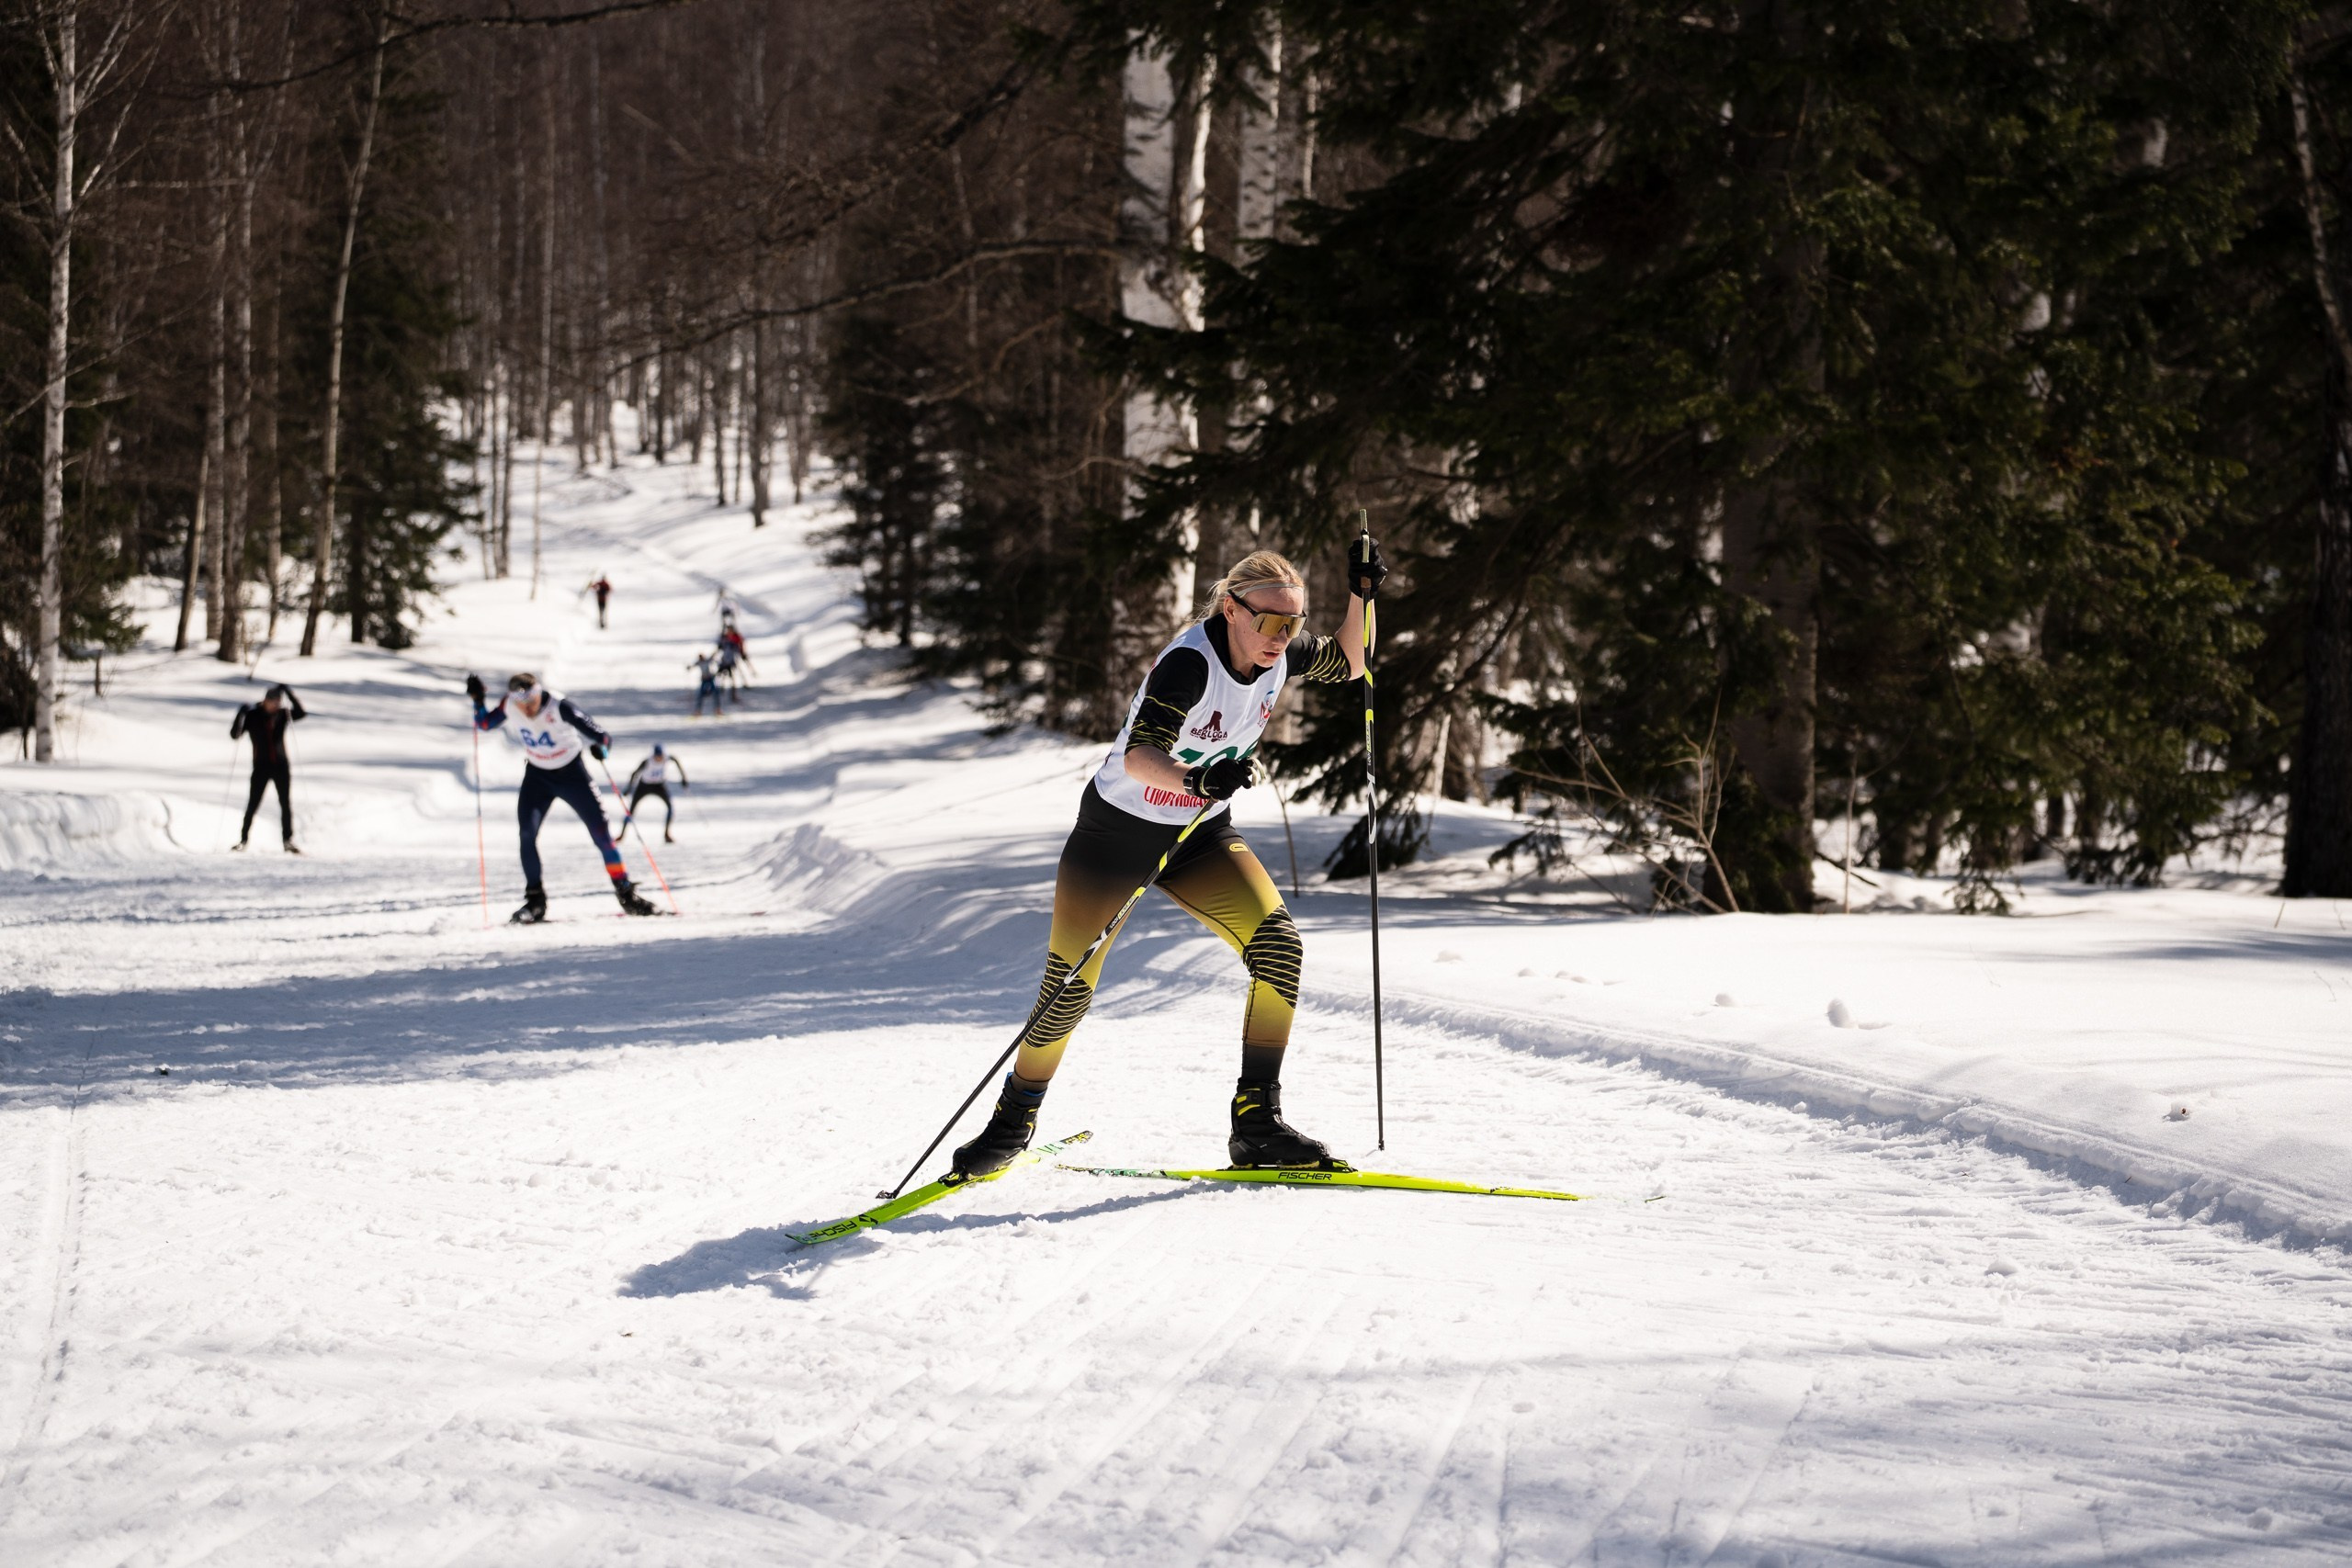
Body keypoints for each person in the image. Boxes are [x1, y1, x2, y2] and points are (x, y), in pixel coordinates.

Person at [954, 537, 1387, 1178]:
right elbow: (1140, 757)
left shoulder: (1279, 653)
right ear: (1232, 609)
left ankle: (1257, 1124)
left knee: (1279, 948)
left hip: (1198, 836)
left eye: (1292, 623)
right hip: (1117, 836)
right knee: (1068, 989)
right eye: (1269, 621)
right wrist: (1197, 779)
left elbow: (1353, 660)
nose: (1281, 636)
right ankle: (1012, 1121)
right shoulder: (1188, 665)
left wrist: (1361, 595)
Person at [468, 671, 658, 921]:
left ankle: (626, 894)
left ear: (539, 693)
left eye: (531, 701)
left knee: (602, 835)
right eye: (520, 702)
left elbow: (602, 736)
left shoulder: (559, 706)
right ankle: (535, 901)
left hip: (572, 775)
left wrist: (601, 750)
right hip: (538, 777)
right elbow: (484, 724)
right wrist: (478, 699)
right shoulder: (510, 705)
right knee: (526, 834)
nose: (526, 708)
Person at [231, 683, 306, 852]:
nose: (276, 705)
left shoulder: (282, 715)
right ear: (265, 700)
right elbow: (235, 735)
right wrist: (240, 715)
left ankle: (288, 840)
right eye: (273, 702)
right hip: (261, 767)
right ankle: (243, 840)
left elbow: (301, 713)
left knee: (285, 804)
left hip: (281, 766)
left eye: (278, 702)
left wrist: (290, 694)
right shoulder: (253, 716)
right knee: (253, 804)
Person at [624, 744, 686, 842]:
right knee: (631, 809)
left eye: (660, 756)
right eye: (657, 756)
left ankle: (667, 834)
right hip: (644, 785)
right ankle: (622, 834)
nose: (659, 758)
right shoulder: (647, 761)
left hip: (659, 785)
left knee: (670, 807)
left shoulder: (666, 758)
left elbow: (676, 760)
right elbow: (634, 773)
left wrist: (684, 778)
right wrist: (629, 788)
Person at [689, 650, 723, 717]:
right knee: (700, 695)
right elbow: (693, 666)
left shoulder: (707, 660)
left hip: (710, 679)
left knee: (715, 693)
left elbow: (712, 656)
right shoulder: (699, 662)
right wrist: (689, 667)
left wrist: (715, 653)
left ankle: (717, 710)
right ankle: (698, 711)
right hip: (704, 680)